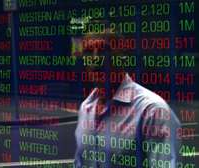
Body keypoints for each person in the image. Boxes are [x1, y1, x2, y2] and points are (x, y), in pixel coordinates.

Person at [73, 26, 181, 168]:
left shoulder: (153, 111)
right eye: (88, 52)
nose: (95, 59)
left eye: (104, 51)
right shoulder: (86, 108)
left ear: (122, 55)